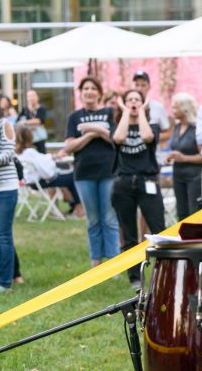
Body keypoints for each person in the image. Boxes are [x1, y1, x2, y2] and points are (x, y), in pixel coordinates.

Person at [111, 89, 166, 288]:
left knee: (158, 228)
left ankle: (164, 273)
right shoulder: (117, 126)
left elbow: (147, 137)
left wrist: (141, 111)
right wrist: (126, 112)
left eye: (137, 99)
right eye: (129, 99)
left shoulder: (151, 125)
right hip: (124, 183)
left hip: (147, 181)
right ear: (123, 104)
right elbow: (118, 139)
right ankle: (135, 277)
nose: (133, 102)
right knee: (129, 233)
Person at [65, 77, 120, 267]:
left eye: (93, 88)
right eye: (85, 88)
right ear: (80, 93)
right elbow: (69, 146)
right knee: (93, 220)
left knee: (110, 218)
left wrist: (94, 128)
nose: (89, 91)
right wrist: (91, 134)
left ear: (99, 92)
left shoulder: (109, 113)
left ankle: (113, 264)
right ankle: (96, 263)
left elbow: (115, 138)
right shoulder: (74, 117)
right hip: (83, 174)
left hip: (109, 172)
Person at [15, 125, 84, 218]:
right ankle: (78, 208)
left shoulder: (18, 152)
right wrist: (55, 160)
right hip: (39, 182)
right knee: (71, 177)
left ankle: (65, 205)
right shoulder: (30, 152)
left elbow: (42, 161)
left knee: (63, 179)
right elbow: (45, 170)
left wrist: (53, 157)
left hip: (29, 182)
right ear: (29, 137)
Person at [0, 97, 19, 293]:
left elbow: (9, 154)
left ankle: (5, 282)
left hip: (5, 188)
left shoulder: (4, 124)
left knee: (3, 235)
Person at [165, 93, 202, 220]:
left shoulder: (196, 128)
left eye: (175, 107)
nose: (173, 111)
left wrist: (184, 158)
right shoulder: (176, 127)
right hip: (178, 175)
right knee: (181, 212)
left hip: (194, 177)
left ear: (185, 109)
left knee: (194, 211)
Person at [132, 71, 171, 146]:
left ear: (149, 86)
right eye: (137, 85)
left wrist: (151, 138)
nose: (139, 88)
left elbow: (168, 133)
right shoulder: (126, 108)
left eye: (143, 85)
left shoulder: (158, 107)